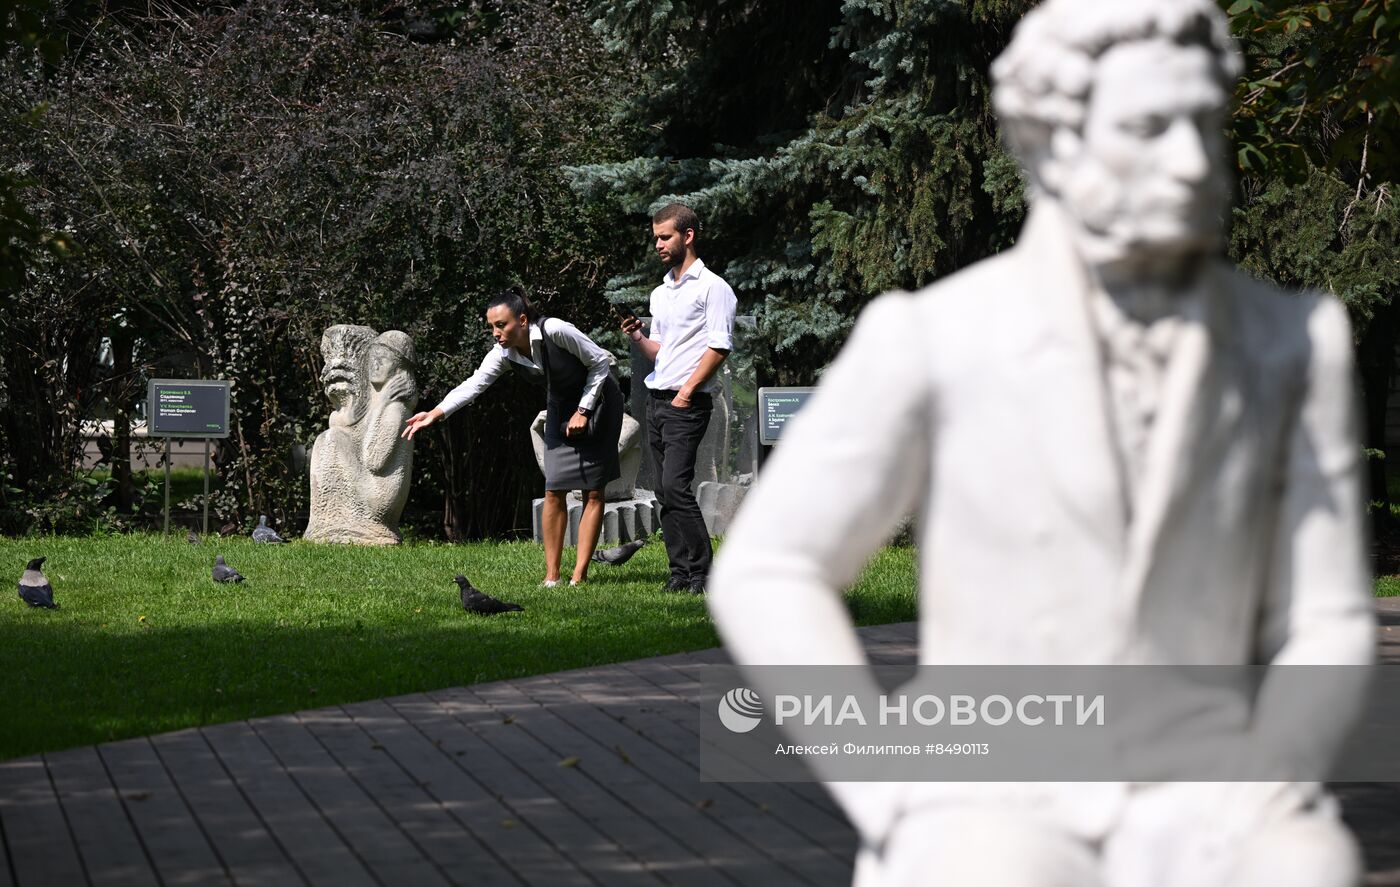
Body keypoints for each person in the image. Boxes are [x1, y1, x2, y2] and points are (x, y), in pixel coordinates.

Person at [708, 2, 1375, 886]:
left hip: (1207, 785)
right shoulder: (936, 338)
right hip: (990, 783)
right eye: (1148, 127)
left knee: (1306, 869)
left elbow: (1324, 616)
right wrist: (887, 785)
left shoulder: (1293, 342)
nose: (1190, 160)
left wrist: (1274, 767)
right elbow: (770, 567)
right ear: (1055, 142)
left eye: (1203, 125)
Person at [403, 289, 624, 586]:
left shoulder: (555, 330)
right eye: (492, 326)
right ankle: (552, 577)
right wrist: (436, 413)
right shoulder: (504, 353)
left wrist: (584, 409)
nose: (496, 333)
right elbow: (475, 384)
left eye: (501, 325)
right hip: (561, 406)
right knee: (554, 488)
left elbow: (600, 362)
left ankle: (579, 575)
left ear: (521, 320)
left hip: (600, 402)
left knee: (594, 491)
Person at [620, 203, 738, 594]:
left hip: (685, 403)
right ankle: (680, 573)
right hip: (658, 399)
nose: (658, 244)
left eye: (665, 236)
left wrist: (687, 393)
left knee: (675, 486)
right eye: (655, 237)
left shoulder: (713, 288)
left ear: (688, 236)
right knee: (662, 491)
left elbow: (719, 347)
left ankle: (704, 573)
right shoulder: (661, 293)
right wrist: (638, 336)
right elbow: (663, 353)